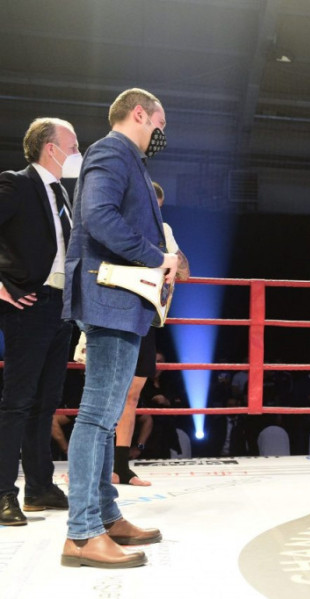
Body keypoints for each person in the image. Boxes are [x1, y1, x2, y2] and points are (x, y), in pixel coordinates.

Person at [61, 88, 178, 568]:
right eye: (159, 125)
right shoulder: (111, 151)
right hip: (109, 297)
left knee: (106, 416)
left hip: (121, 299)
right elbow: (99, 217)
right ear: (139, 114)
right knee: (97, 415)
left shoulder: (128, 159)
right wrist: (157, 257)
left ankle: (105, 516)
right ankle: (82, 533)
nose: (161, 134)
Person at [0, 118, 79, 525]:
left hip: (60, 307)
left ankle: (39, 486)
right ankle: (2, 493)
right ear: (51, 148)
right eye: (73, 145)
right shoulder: (16, 183)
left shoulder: (62, 193)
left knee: (45, 403)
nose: (77, 153)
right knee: (17, 402)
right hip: (28, 304)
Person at [113, 181, 190, 486]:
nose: (154, 214)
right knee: (107, 395)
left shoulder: (163, 230)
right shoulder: (117, 225)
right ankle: (99, 465)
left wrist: (170, 251)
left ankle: (121, 467)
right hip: (114, 314)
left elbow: (184, 272)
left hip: (145, 317)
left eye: (158, 210)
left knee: (131, 396)